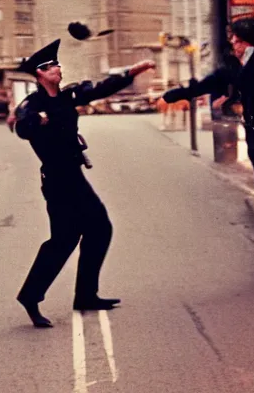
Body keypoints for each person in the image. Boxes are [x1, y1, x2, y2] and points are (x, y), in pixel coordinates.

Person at [14, 38, 156, 328]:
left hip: (74, 176)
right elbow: (21, 127)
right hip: (56, 180)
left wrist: (131, 73)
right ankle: (31, 296)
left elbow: (100, 88)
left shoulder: (68, 96)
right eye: (51, 66)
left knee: (100, 228)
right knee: (63, 240)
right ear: (40, 74)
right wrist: (37, 120)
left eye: (57, 64)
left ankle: (86, 295)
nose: (57, 68)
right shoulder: (33, 104)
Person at [158, 17, 254, 278]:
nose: (232, 44)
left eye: (236, 40)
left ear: (246, 41)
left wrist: (235, 82)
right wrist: (177, 94)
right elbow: (209, 83)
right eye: (232, 40)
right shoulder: (234, 64)